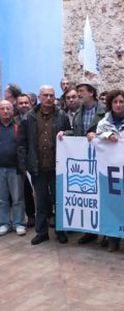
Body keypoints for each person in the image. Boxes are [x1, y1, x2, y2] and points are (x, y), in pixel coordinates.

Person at [19, 86, 71, 245]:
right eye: (46, 95)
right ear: (40, 97)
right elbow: (22, 143)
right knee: (41, 202)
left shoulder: (62, 115)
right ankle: (41, 232)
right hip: (37, 167)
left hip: (58, 167)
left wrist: (66, 134)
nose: (49, 98)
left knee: (59, 200)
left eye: (52, 95)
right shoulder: (29, 117)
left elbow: (71, 132)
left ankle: (61, 231)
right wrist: (24, 164)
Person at [92, 90, 124, 253]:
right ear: (110, 104)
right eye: (115, 102)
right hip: (109, 172)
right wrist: (106, 135)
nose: (118, 105)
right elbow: (95, 139)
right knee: (111, 207)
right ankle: (112, 239)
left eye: (121, 102)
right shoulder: (102, 124)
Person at [66, 82, 106, 245]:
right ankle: (90, 231)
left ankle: (105, 233)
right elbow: (77, 133)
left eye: (81, 91)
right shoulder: (78, 113)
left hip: (101, 160)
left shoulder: (104, 111)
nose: (79, 94)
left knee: (102, 197)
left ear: (91, 93)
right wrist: (65, 133)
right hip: (84, 161)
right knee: (88, 196)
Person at [0, 100, 26, 236]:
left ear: (12, 111)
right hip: (0, 169)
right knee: (2, 199)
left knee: (17, 198)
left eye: (7, 108)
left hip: (15, 168)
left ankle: (19, 223)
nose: (5, 111)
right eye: (2, 108)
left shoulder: (18, 127)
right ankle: (4, 223)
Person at [15, 94, 36, 227]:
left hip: (37, 158)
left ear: (31, 103)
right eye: (21, 103)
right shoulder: (14, 120)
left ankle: (48, 215)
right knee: (26, 190)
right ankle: (31, 215)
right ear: (16, 106)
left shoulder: (36, 118)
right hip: (21, 160)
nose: (24, 105)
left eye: (26, 103)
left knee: (42, 190)